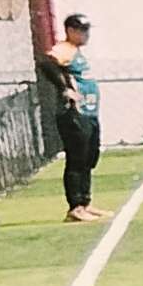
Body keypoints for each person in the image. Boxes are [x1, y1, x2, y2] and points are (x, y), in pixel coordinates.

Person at [35, 13, 103, 223]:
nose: (86, 35)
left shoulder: (76, 52)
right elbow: (47, 63)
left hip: (89, 111)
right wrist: (64, 88)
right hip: (75, 112)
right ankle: (75, 206)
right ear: (71, 31)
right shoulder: (64, 49)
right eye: (82, 30)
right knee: (77, 158)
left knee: (90, 157)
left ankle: (85, 202)